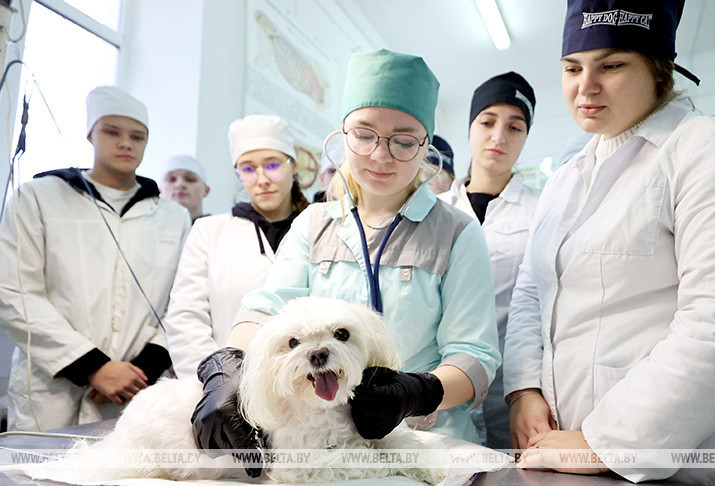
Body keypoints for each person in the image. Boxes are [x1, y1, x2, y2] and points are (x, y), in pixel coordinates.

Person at [504, 1, 715, 484]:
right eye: (572, 68)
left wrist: (608, 442)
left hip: (695, 463)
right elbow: (531, 293)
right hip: (568, 450)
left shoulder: (714, 147)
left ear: (660, 71)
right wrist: (524, 390)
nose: (586, 86)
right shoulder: (563, 180)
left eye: (612, 65)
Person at [190, 49, 500, 478]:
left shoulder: (456, 233)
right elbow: (263, 310)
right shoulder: (314, 223)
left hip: (426, 442)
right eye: (364, 135)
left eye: (404, 141)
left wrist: (418, 392)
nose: (380, 156)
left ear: (427, 146)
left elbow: (475, 355)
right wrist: (229, 369)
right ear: (342, 136)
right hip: (326, 442)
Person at [0, 86, 190, 431]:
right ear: (90, 133)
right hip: (51, 390)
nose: (125, 143)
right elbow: (13, 291)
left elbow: (180, 301)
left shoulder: (173, 217)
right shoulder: (39, 197)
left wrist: (140, 370)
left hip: (134, 391)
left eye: (137, 136)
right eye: (111, 131)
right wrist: (93, 367)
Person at [163, 115, 309, 380]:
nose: (262, 179)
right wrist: (218, 381)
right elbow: (185, 318)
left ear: (293, 165)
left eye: (273, 165)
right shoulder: (209, 232)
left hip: (310, 389)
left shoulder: (319, 230)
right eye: (248, 169)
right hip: (229, 389)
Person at [439, 71, 540, 450]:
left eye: (515, 127)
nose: (499, 137)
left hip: (514, 389)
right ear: (470, 128)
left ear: (526, 138)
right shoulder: (436, 212)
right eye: (488, 122)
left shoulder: (542, 209)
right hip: (446, 386)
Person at [158, 154, 211, 221]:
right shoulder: (146, 228)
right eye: (171, 179)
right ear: (160, 190)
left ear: (206, 190)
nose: (180, 185)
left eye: (190, 179)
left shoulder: (220, 229)